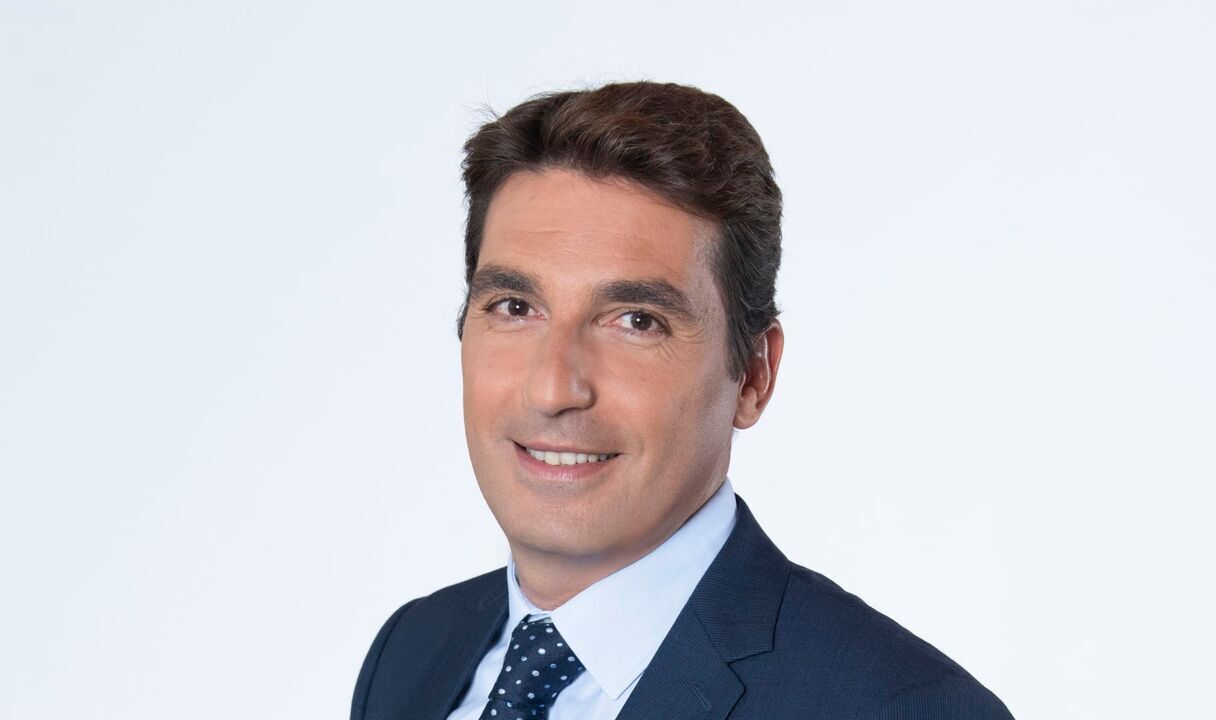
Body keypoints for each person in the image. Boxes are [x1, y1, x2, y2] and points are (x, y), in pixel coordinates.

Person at [350, 81, 1013, 720]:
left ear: (753, 376)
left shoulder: (903, 708)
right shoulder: (412, 652)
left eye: (637, 321)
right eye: (515, 307)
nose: (552, 389)